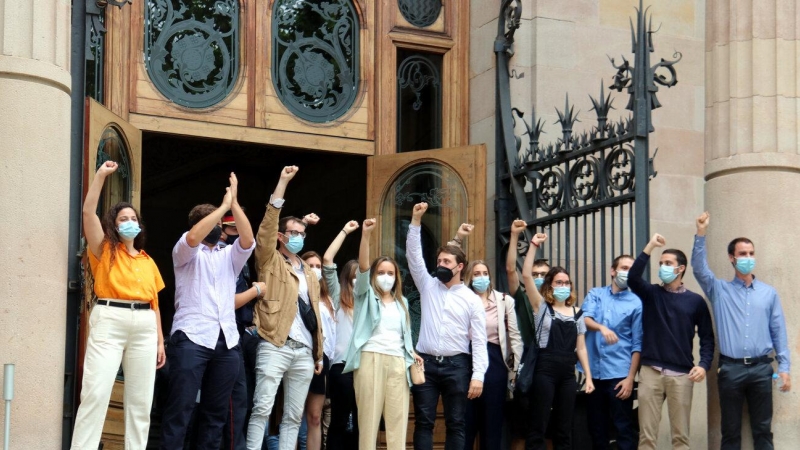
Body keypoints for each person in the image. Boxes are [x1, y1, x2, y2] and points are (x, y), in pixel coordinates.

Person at [71, 161, 166, 449]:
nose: (129, 222)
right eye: (122, 218)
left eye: (133, 217)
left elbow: (155, 303)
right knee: (96, 392)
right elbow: (88, 212)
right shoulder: (104, 249)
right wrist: (100, 176)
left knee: (141, 401)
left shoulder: (148, 261)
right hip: (110, 317)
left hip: (145, 327)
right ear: (113, 224)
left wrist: (161, 342)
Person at [160, 173, 256, 450]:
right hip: (191, 338)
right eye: (214, 221)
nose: (220, 226)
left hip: (226, 342)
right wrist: (222, 209)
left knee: (215, 416)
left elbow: (248, 239)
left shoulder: (229, 255)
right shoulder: (185, 252)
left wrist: (234, 203)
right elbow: (193, 238)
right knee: (181, 410)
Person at [692, 212, 791, 449]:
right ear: (732, 258)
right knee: (731, 432)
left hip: (761, 369)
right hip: (730, 369)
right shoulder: (719, 290)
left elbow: (778, 332)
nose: (748, 257)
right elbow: (698, 268)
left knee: (763, 431)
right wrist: (701, 233)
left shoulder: (769, 293)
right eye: (742, 254)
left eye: (751, 253)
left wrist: (785, 368)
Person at [246, 166, 324, 450]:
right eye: (292, 232)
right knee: (262, 408)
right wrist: (282, 183)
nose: (298, 237)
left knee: (293, 415)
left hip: (304, 350)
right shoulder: (269, 260)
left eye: (302, 233)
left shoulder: (309, 272)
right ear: (281, 236)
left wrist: (318, 352)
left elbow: (315, 315)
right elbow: (267, 227)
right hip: (274, 343)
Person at [406, 202, 488, 450]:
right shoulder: (428, 285)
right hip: (426, 364)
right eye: (439, 260)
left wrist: (478, 376)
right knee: (424, 422)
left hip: (457, 366)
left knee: (456, 423)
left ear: (460, 267)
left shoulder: (472, 299)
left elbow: (480, 340)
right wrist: (415, 222)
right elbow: (413, 256)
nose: (440, 265)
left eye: (446, 261)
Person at [627, 233, 714, 450]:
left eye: (668, 263)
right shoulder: (652, 293)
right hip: (650, 372)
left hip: (682, 376)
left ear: (680, 268)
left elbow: (707, 338)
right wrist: (650, 247)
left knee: (681, 438)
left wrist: (703, 366)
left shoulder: (695, 301)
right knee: (646, 437)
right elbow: (633, 278)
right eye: (661, 263)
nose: (662, 267)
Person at [343, 218, 420, 450]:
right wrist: (366, 235)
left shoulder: (403, 302)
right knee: (368, 422)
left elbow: (403, 335)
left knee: (398, 423)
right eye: (381, 272)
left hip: (398, 362)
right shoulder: (365, 295)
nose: (386, 277)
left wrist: (412, 352)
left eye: (391, 273)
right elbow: (364, 268)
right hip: (370, 359)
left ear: (397, 277)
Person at [520, 233, 594, 450]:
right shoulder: (541, 307)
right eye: (559, 282)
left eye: (566, 282)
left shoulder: (577, 312)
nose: (563, 285)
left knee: (564, 427)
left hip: (567, 373)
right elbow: (525, 275)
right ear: (550, 286)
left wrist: (588, 377)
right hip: (545, 369)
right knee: (539, 425)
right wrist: (533, 245)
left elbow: (581, 347)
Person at [579, 255, 642, 450]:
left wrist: (631, 378)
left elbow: (638, 343)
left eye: (631, 269)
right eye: (623, 268)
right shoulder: (596, 294)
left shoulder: (636, 302)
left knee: (623, 428)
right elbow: (584, 320)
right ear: (613, 270)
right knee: (597, 429)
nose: (627, 273)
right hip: (594, 375)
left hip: (620, 375)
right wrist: (601, 328)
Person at [462, 258, 524, 450]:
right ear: (469, 278)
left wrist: (514, 370)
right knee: (465, 421)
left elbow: (515, 337)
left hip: (495, 360)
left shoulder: (504, 300)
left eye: (485, 274)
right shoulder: (461, 298)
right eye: (476, 274)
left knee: (492, 422)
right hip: (466, 359)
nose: (481, 278)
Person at [220, 212, 267, 450]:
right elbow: (228, 301)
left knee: (244, 400)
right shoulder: (221, 255)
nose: (237, 235)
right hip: (223, 334)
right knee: (231, 402)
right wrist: (256, 290)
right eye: (232, 230)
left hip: (242, 333)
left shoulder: (242, 257)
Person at [323, 221, 361, 450]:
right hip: (342, 367)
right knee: (339, 419)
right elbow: (327, 261)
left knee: (363, 422)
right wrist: (345, 231)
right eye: (356, 276)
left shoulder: (373, 302)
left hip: (366, 367)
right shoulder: (338, 297)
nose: (360, 281)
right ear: (347, 278)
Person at [301, 250, 337, 450]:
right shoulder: (296, 293)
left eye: (318, 266)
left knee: (315, 416)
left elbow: (332, 335)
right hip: (298, 355)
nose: (315, 270)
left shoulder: (328, 300)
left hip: (323, 360)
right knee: (293, 415)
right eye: (310, 266)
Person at [505, 219, 550, 348]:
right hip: (526, 356)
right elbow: (510, 270)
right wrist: (514, 235)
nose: (539, 278)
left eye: (543, 275)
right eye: (534, 275)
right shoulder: (522, 298)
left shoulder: (557, 302)